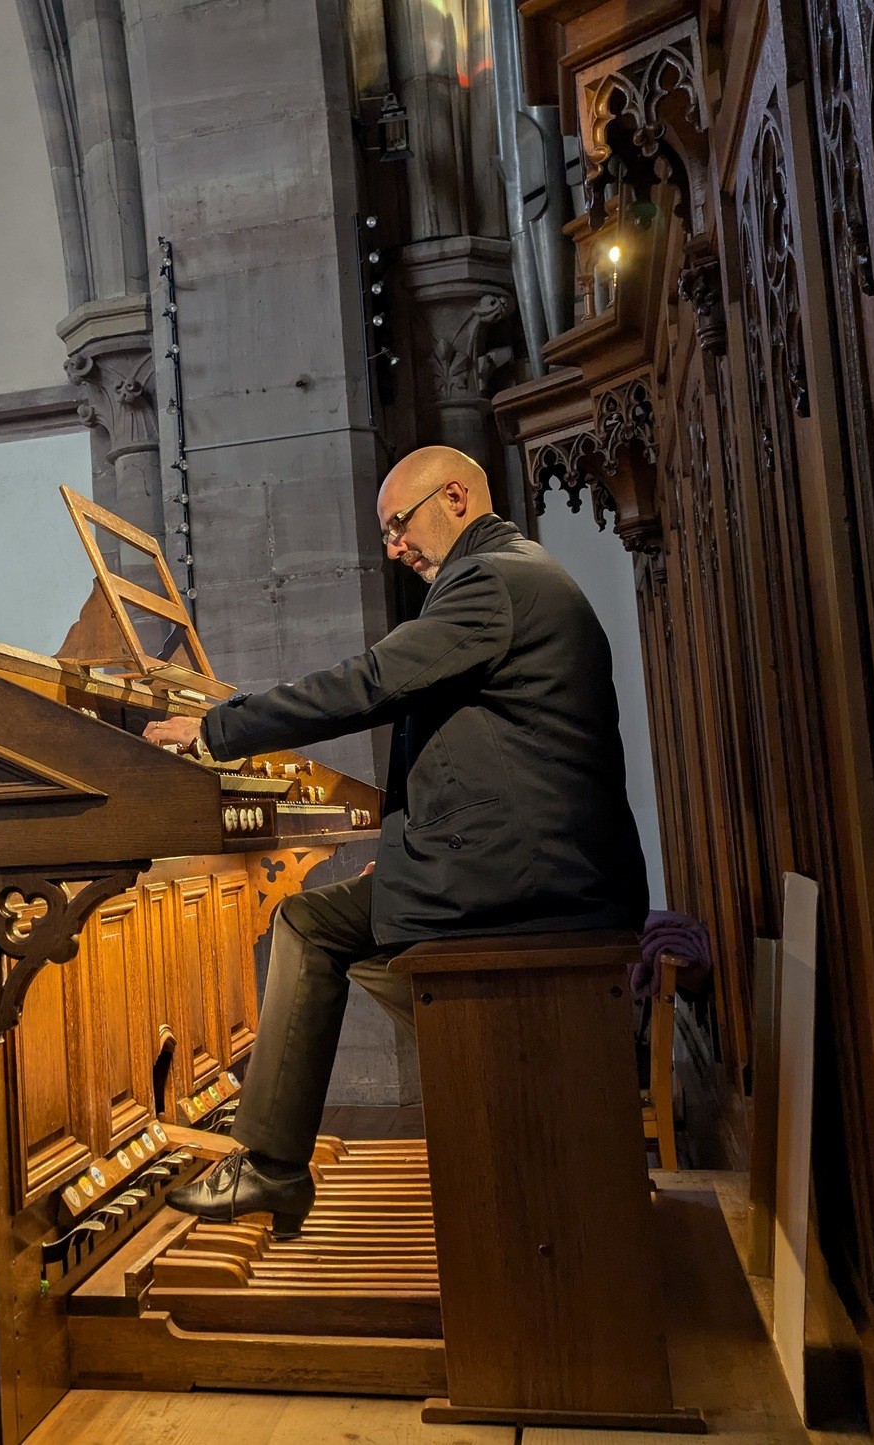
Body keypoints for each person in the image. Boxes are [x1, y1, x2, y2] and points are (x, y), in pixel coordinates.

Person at [142, 445, 649, 1238]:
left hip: (525, 878)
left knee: (307, 924)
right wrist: (415, 857)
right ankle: (507, 1111)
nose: (393, 547)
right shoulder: (519, 573)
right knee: (349, 923)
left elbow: (368, 683)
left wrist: (216, 729)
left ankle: (280, 1164)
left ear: (454, 496)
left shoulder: (491, 581)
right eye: (384, 534)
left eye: (396, 525)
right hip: (530, 861)